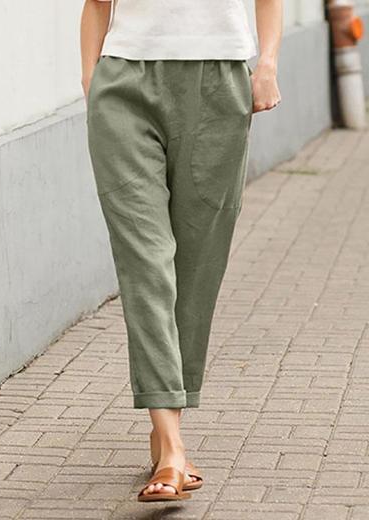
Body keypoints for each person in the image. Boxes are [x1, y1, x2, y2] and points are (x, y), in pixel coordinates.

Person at [81, 0, 282, 502]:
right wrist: (91, 83)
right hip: (124, 84)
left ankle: (165, 424)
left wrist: (267, 64)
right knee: (146, 263)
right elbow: (96, 4)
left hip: (218, 83)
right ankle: (172, 449)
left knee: (196, 266)